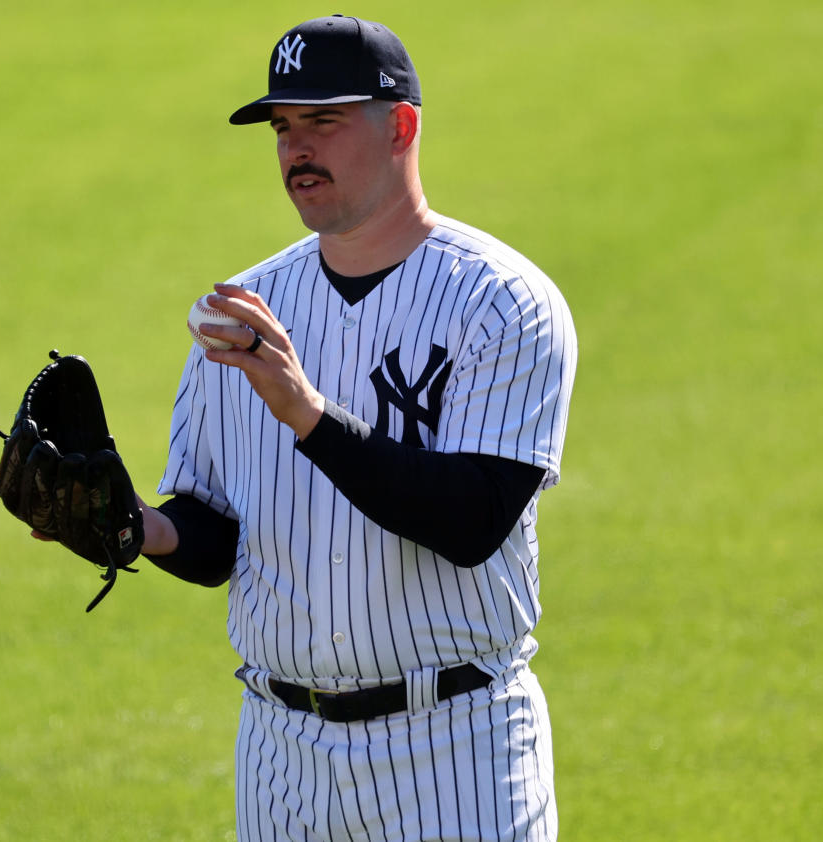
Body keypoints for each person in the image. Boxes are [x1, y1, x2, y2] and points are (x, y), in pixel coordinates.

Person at [135, 15, 577, 842]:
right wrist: (132, 529)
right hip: (282, 755)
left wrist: (307, 414)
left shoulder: (503, 303)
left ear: (401, 125)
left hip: (456, 749)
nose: (297, 149)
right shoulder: (241, 313)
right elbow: (216, 537)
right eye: (283, 127)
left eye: (324, 121)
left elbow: (472, 520)